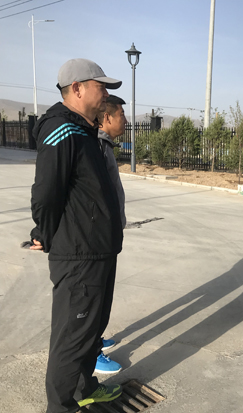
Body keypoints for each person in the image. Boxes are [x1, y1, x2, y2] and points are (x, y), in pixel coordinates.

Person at [30, 58, 124, 412]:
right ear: (77, 88)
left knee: (90, 331)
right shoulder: (61, 129)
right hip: (79, 254)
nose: (106, 95)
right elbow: (46, 193)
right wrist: (45, 233)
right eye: (101, 87)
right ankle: (60, 406)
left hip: (99, 250)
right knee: (72, 338)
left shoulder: (84, 130)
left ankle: (86, 388)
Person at [92, 95, 128, 374]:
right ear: (107, 118)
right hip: (98, 238)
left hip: (108, 234)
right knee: (95, 297)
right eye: (121, 115)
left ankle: (96, 339)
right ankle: (92, 352)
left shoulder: (104, 145)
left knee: (104, 294)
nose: (125, 121)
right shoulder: (96, 147)